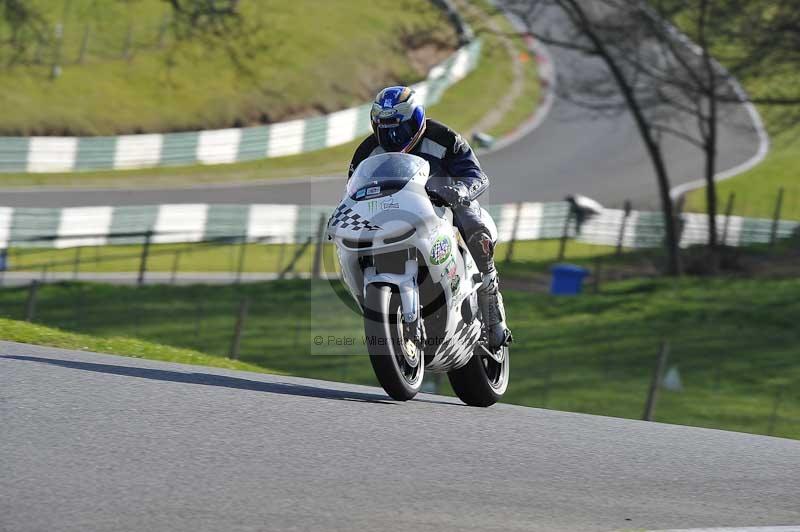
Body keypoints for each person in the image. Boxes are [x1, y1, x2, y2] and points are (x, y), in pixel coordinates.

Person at [348, 86, 512, 349]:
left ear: (416, 119)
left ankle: (491, 298)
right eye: (384, 128)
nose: (392, 135)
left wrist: (459, 190)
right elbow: (354, 189)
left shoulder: (445, 138)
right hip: (393, 211)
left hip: (444, 204)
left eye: (400, 127)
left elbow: (476, 175)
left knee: (474, 224)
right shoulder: (366, 151)